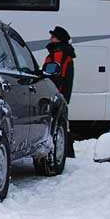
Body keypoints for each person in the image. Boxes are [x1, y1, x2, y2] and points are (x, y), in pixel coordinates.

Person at [44, 25, 76, 157]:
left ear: (59, 39)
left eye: (53, 36)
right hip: (61, 92)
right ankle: (66, 150)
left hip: (56, 92)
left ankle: (62, 151)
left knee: (55, 122)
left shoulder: (59, 53)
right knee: (60, 121)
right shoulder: (62, 52)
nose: (50, 38)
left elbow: (55, 73)